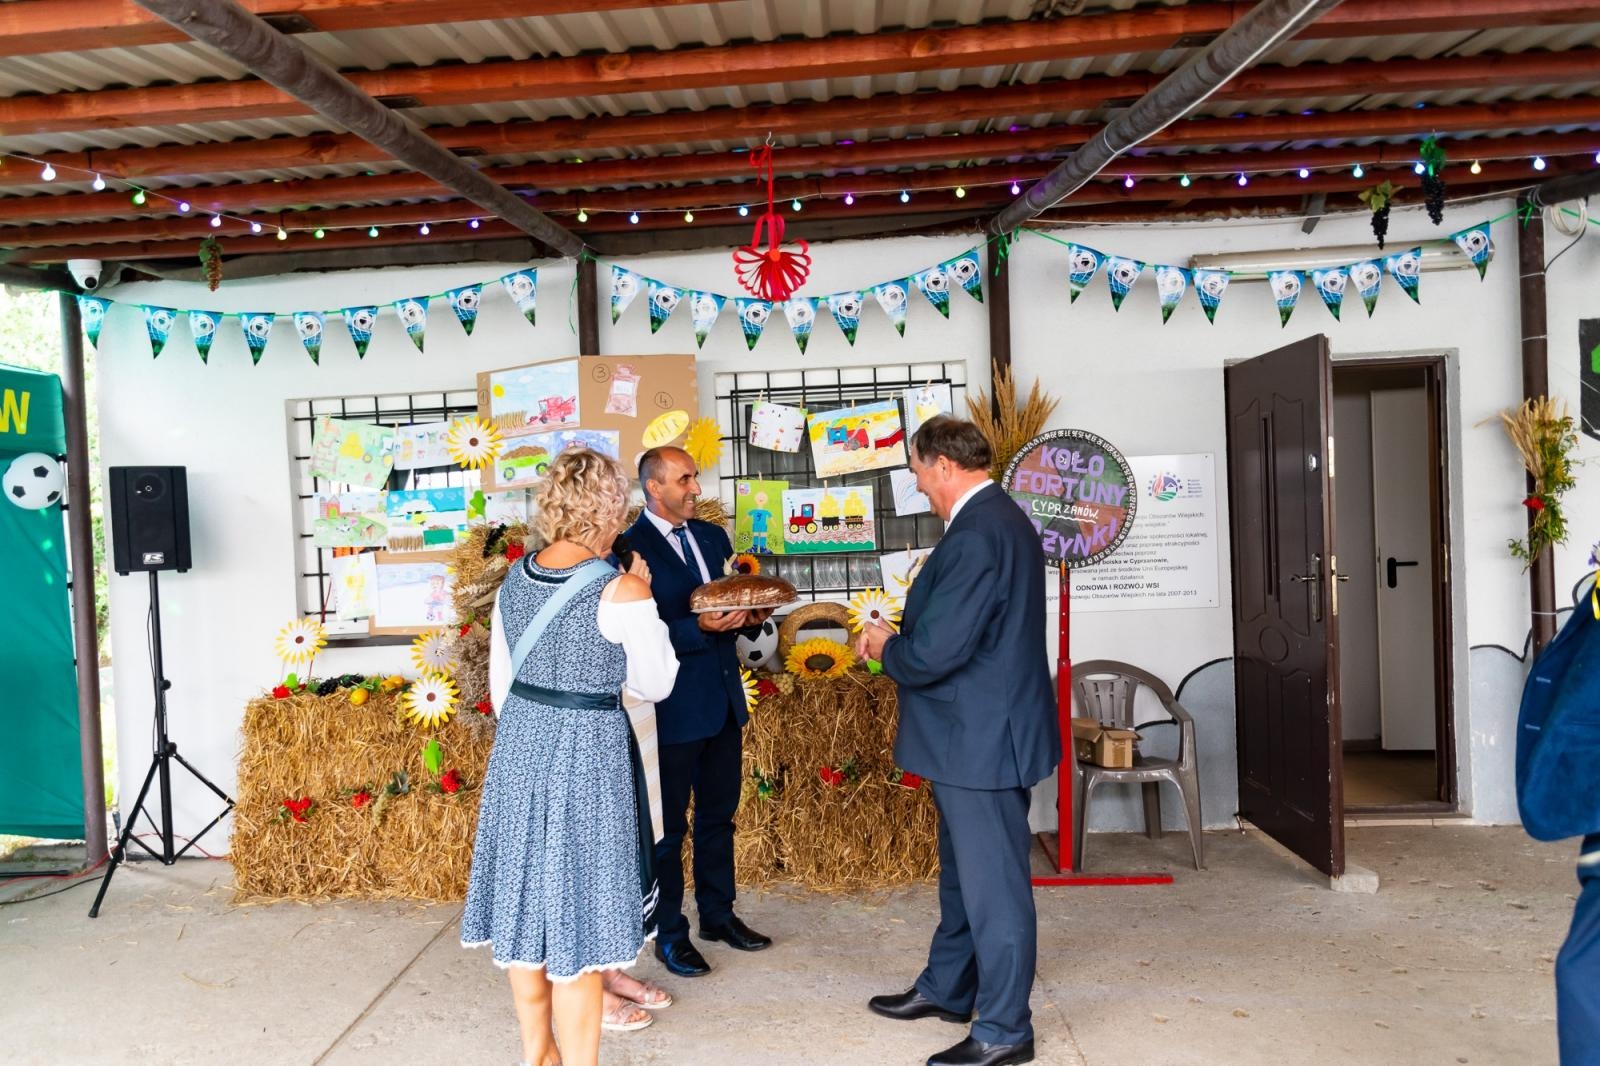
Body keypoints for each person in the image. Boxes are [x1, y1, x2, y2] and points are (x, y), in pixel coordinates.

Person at [462, 448, 679, 1066]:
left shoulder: (518, 577)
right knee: (580, 925)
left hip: (521, 746)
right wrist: (643, 598)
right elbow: (656, 682)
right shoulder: (624, 588)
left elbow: (504, 686)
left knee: (527, 904)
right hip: (588, 751)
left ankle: (539, 1054)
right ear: (613, 507)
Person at [856, 416, 1061, 1066]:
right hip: (973, 736)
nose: (916, 482)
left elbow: (939, 651)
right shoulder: (998, 519)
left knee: (995, 886)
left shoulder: (978, 533)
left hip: (980, 740)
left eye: (917, 469)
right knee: (963, 876)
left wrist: (887, 646)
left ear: (943, 464)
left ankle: (1004, 1029)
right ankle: (950, 987)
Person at [627, 445, 774, 979]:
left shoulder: (712, 538)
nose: (695, 488)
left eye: (694, 477)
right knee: (668, 833)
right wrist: (697, 630)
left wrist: (751, 616)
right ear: (653, 488)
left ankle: (718, 914)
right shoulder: (629, 549)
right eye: (684, 480)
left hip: (722, 704)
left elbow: (729, 607)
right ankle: (671, 933)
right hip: (668, 711)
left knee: (719, 818)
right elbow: (629, 637)